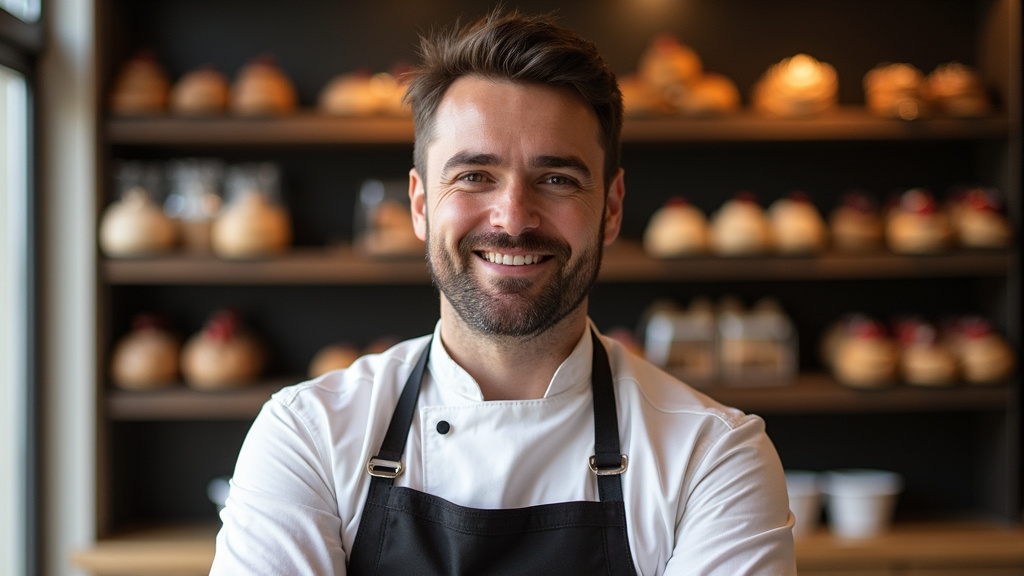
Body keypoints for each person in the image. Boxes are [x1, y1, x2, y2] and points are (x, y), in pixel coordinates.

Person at [211, 9, 796, 575]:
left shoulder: (712, 456)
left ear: (611, 209)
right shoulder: (309, 434)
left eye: (557, 179)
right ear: (419, 204)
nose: (513, 219)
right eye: (474, 176)